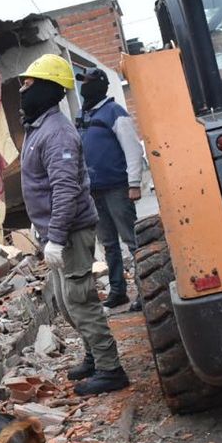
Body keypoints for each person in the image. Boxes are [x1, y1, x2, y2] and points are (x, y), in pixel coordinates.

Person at [17, 53, 130, 395]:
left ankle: (111, 370)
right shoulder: (38, 128)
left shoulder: (58, 134)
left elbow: (65, 188)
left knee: (81, 300)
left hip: (70, 232)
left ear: (47, 89)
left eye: (28, 83)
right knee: (67, 304)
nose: (22, 89)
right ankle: (95, 357)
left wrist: (56, 237)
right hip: (57, 231)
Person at [75, 67, 145, 312]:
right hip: (94, 192)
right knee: (108, 244)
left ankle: (145, 293)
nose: (84, 86)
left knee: (132, 240)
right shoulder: (82, 115)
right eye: (82, 82)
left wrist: (134, 183)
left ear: (100, 85)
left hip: (117, 188)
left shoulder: (114, 112)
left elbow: (133, 149)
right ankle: (118, 292)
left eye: (88, 82)